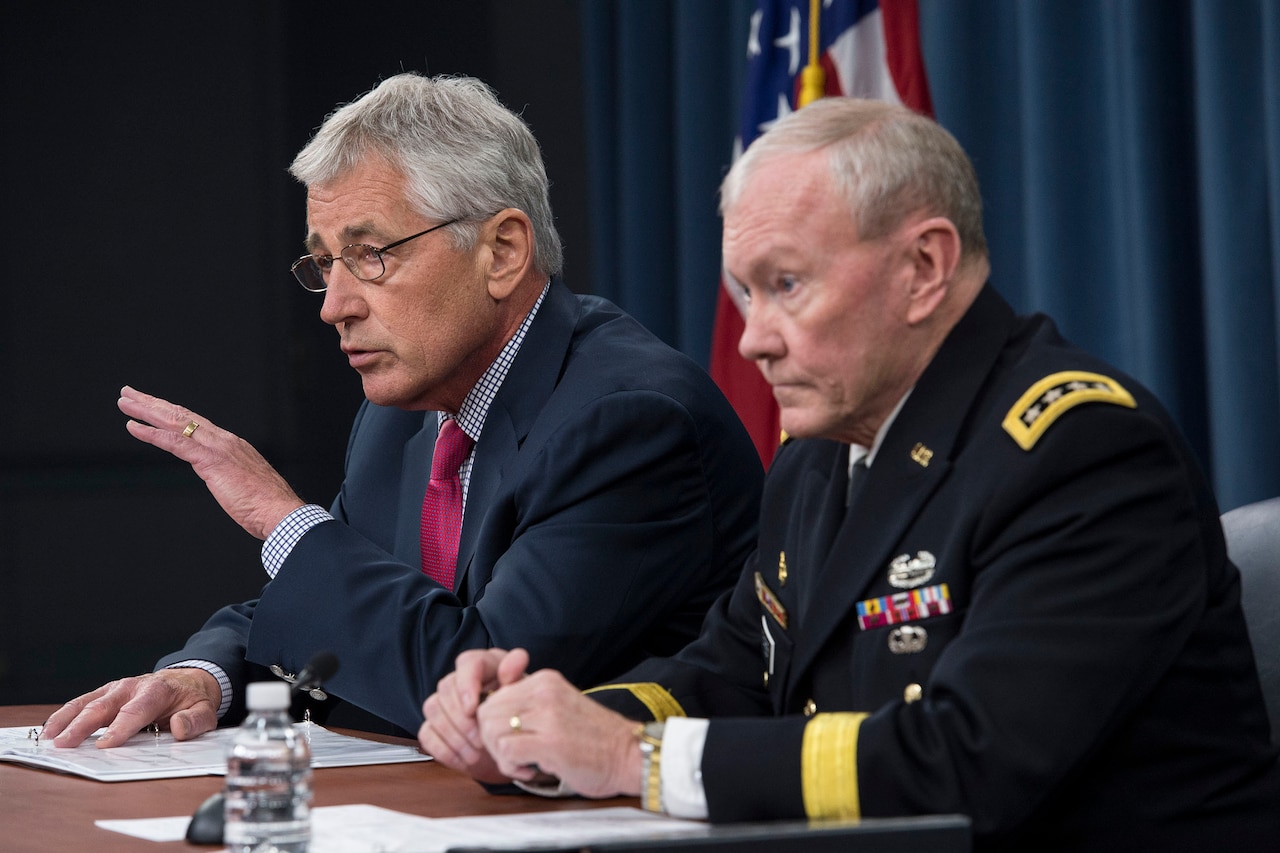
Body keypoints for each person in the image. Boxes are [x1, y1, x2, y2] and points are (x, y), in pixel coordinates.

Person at [419, 97, 1280, 850]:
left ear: (924, 268)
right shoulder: (817, 458)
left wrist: (625, 759)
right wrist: (543, 718)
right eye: (745, 295)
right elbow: (732, 671)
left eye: (785, 284)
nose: (754, 337)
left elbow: (969, 764)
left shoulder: (1080, 447)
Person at [41, 73, 762, 747]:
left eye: (371, 254)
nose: (333, 306)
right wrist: (207, 674)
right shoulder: (401, 416)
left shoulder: (629, 423)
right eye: (324, 263)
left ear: (503, 252)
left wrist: (281, 518)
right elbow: (351, 616)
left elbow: (475, 681)